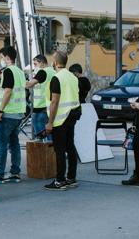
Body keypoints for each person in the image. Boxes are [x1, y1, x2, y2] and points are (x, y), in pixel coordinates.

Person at [0, 46, 26, 184]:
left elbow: (8, 91)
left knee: (1, 145)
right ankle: (14, 172)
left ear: (7, 57)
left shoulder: (8, 71)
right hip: (18, 113)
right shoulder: (19, 71)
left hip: (7, 113)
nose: (1, 60)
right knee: (14, 144)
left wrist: (0, 111)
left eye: (2, 57)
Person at [44, 51, 82, 191]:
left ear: (54, 62)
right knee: (70, 146)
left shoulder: (56, 78)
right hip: (72, 115)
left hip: (60, 119)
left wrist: (50, 122)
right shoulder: (73, 77)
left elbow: (54, 101)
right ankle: (71, 178)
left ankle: (60, 180)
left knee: (60, 150)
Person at [26, 55, 55, 140]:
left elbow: (29, 85)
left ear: (41, 63)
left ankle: (42, 153)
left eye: (35, 64)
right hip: (49, 107)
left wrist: (20, 80)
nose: (35, 66)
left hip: (40, 108)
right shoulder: (53, 72)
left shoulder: (42, 72)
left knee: (40, 137)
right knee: (49, 136)